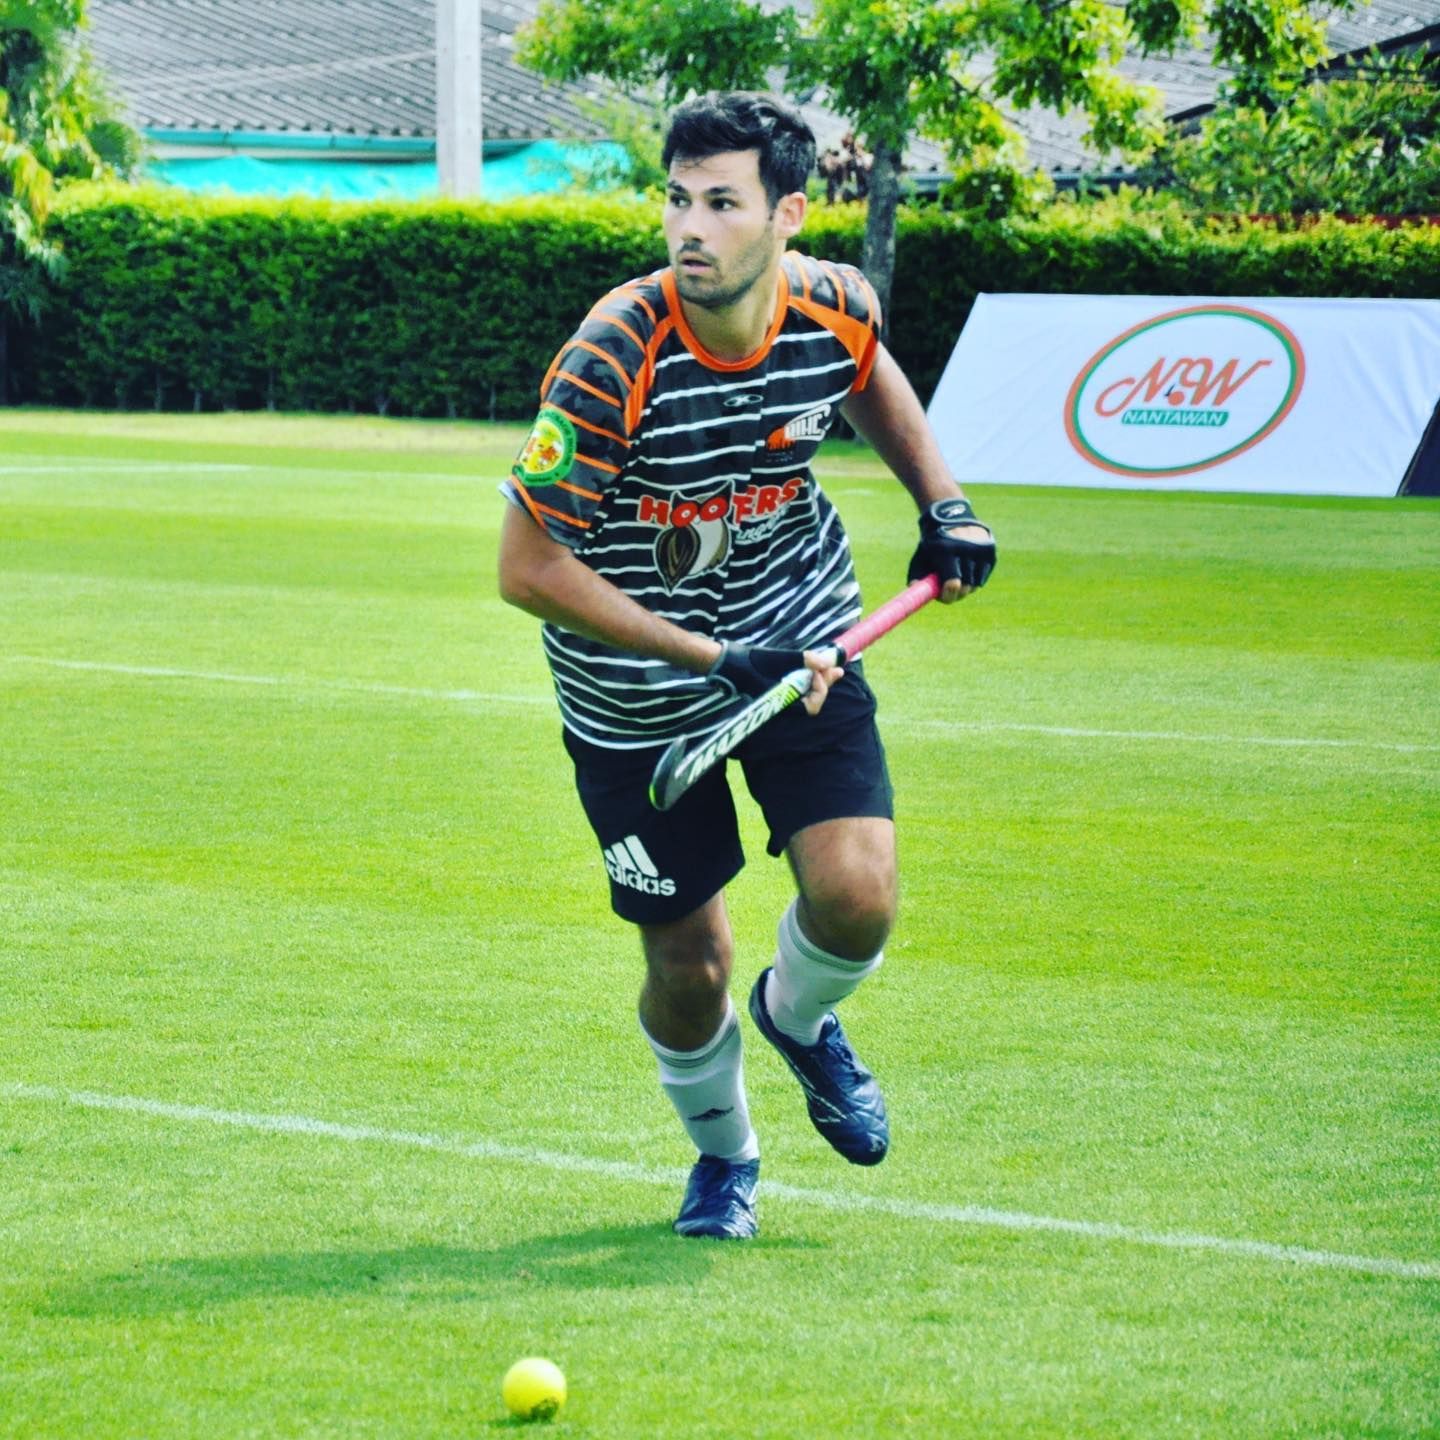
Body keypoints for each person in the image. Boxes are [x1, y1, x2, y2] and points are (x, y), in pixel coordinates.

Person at [498, 91, 995, 1240]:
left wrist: (944, 500)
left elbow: (867, 368)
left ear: (787, 217)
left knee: (858, 894)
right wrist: (710, 655)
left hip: (797, 632)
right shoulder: (615, 353)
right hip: (638, 697)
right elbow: (526, 567)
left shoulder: (830, 299)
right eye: (678, 199)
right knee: (690, 964)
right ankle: (726, 1161)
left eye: (722, 203)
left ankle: (803, 1019)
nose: (691, 227)